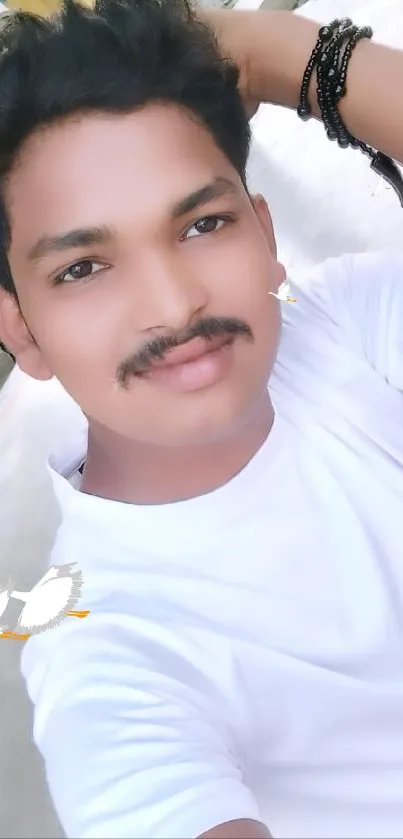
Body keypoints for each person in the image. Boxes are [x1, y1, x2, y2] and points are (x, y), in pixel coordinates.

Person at [0, 0, 403, 836]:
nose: (174, 302)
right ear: (20, 331)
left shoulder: (348, 328)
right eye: (82, 268)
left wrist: (273, 54)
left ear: (264, 233)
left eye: (203, 223)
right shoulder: (102, 649)